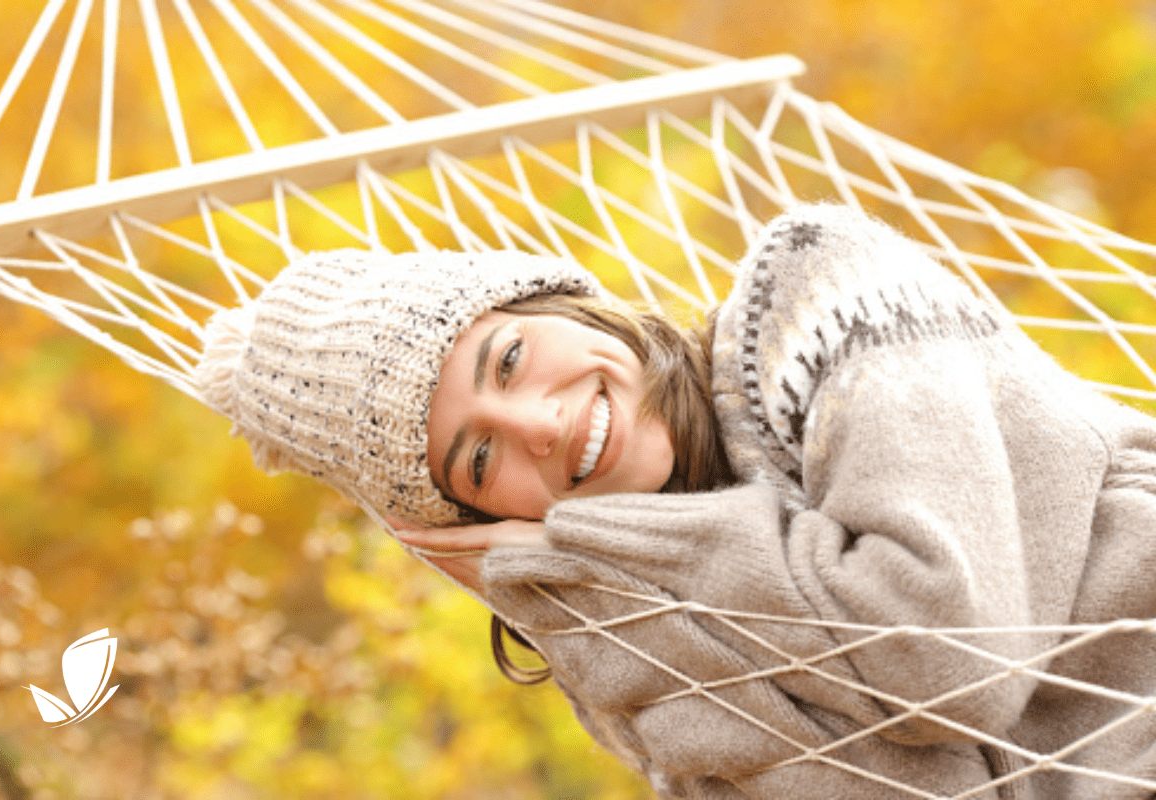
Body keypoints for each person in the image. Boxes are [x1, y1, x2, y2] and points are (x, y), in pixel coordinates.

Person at [194, 205, 1156, 799]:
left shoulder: (818, 295)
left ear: (562, 306)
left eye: (511, 358)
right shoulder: (621, 627)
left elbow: (942, 659)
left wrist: (616, 561)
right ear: (484, 523)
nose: (538, 424)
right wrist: (595, 593)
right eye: (479, 457)